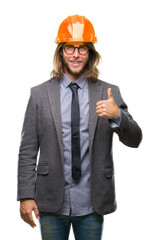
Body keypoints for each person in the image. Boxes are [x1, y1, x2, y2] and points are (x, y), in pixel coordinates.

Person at [17, 15, 142, 240]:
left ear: (91, 54)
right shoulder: (39, 95)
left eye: (82, 48)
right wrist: (25, 195)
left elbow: (135, 139)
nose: (75, 54)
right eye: (70, 48)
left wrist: (118, 116)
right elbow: (27, 149)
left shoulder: (108, 92)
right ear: (61, 52)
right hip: (51, 201)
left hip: (92, 203)